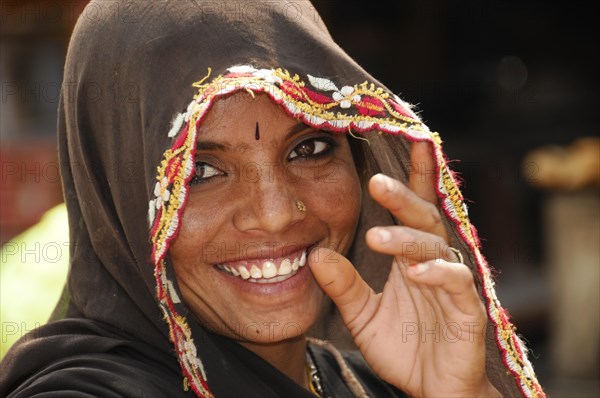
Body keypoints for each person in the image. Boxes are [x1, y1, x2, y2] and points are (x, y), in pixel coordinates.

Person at [0, 1, 546, 397]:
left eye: (309, 148)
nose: (277, 212)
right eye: (202, 170)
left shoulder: (362, 381)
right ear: (116, 189)